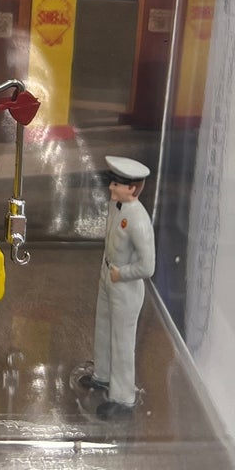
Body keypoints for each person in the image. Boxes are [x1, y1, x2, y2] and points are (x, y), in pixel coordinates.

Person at [87, 155, 156, 420]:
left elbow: (148, 266)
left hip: (124, 285)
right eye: (112, 182)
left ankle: (123, 397)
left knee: (122, 342)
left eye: (117, 184)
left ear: (132, 189)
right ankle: (102, 375)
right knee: (103, 327)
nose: (111, 187)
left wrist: (122, 273)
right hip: (108, 274)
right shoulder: (116, 207)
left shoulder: (138, 220)